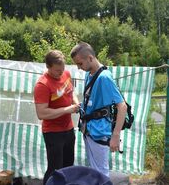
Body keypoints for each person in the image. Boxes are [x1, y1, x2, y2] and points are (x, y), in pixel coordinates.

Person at [70, 42, 127, 177]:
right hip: (89, 129)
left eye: (80, 64)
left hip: (99, 131)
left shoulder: (104, 77)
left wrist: (115, 135)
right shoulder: (89, 74)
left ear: (90, 58)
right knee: (95, 171)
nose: (79, 68)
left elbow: (122, 106)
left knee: (101, 173)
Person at [34, 50, 79, 185]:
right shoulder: (42, 85)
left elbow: (71, 92)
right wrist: (67, 110)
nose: (60, 73)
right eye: (57, 70)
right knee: (55, 168)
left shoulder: (66, 74)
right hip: (53, 132)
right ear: (48, 67)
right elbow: (41, 113)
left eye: (62, 68)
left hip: (68, 129)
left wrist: (75, 102)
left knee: (68, 165)